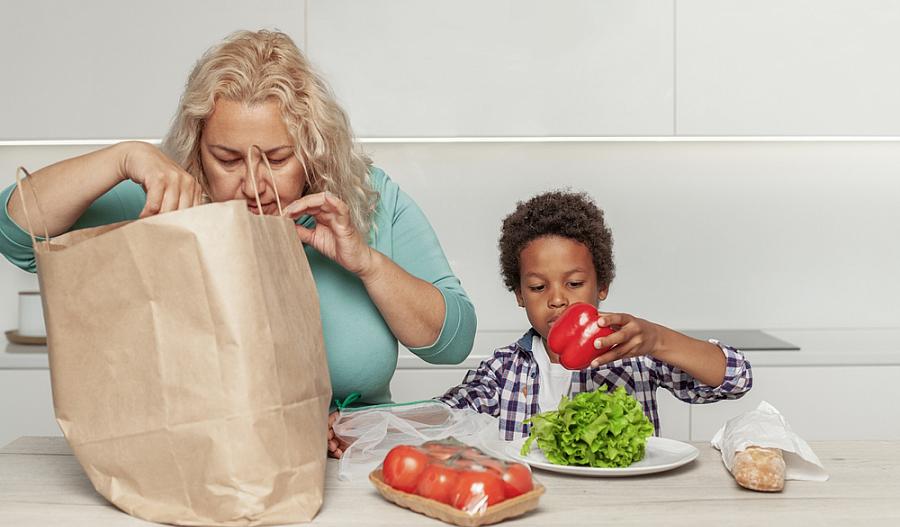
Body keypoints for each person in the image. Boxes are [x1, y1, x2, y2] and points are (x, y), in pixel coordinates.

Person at [0, 30, 476, 457]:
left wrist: (367, 263)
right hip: (199, 476)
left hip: (353, 472)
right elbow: (18, 236)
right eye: (226, 158)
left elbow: (453, 342)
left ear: (314, 149)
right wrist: (124, 157)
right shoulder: (167, 194)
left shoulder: (366, 199)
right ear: (196, 149)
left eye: (277, 158)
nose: (253, 183)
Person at [438, 191, 751, 440]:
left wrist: (657, 340)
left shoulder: (634, 356)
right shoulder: (502, 369)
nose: (557, 299)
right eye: (537, 287)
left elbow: (736, 378)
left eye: (574, 283)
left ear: (602, 285)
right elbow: (446, 415)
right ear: (519, 294)